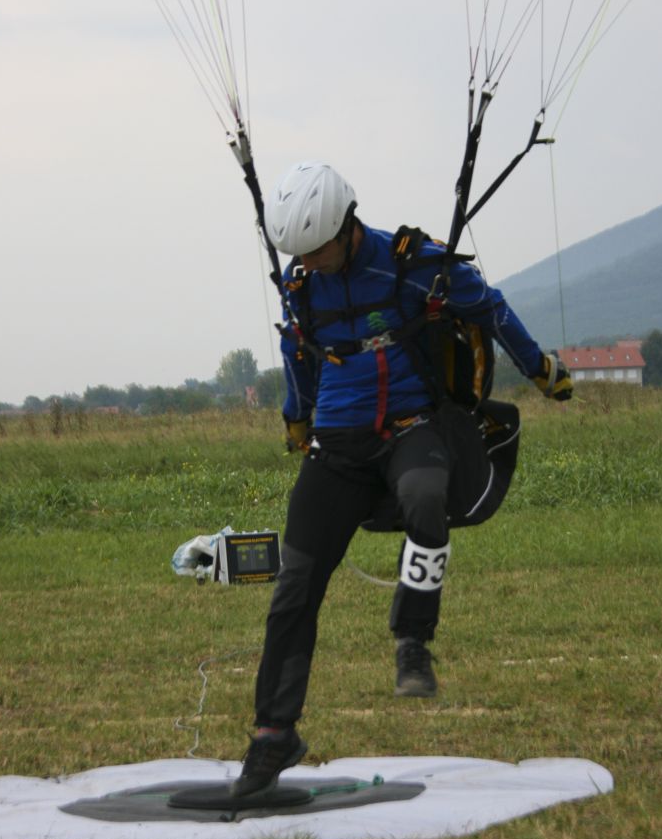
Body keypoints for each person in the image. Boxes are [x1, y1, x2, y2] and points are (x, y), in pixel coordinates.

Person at [231, 161, 571, 797]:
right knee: (294, 586)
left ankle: (412, 638)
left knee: (424, 497)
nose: (310, 261)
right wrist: (295, 420)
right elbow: (297, 355)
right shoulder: (302, 286)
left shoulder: (413, 265)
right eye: (300, 253)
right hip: (338, 444)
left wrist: (540, 369)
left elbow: (491, 308)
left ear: (347, 227)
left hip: (413, 428)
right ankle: (274, 734)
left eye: (318, 248)